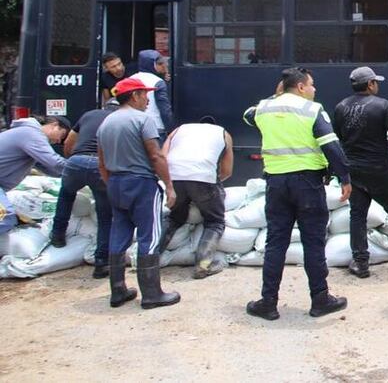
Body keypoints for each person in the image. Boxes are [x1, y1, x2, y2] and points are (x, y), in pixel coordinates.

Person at [244, 68, 352, 321]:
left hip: (276, 185)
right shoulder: (312, 110)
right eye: (312, 85)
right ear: (301, 87)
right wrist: (344, 177)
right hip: (308, 185)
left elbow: (248, 115)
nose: (314, 89)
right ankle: (320, 299)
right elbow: (331, 146)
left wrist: (275, 96)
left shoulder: (264, 109)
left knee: (276, 243)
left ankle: (268, 302)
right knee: (313, 242)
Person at [97, 77, 180, 309]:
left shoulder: (106, 123)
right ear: (134, 95)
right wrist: (169, 186)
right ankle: (152, 294)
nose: (147, 100)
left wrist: (112, 183)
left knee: (119, 233)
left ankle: (118, 291)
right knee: (150, 237)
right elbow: (156, 155)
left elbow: (101, 162)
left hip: (115, 183)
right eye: (145, 95)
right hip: (141, 184)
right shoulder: (143, 120)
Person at [333, 66, 388, 279]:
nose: (377, 85)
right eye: (375, 82)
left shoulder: (340, 107)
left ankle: (360, 262)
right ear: (370, 84)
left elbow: (338, 139)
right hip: (379, 168)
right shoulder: (382, 105)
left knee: (357, 215)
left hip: (354, 170)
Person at [50, 100, 119, 278]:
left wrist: (72, 160)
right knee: (105, 215)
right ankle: (101, 263)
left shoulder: (89, 114)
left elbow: (69, 142)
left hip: (76, 161)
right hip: (100, 165)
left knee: (66, 195)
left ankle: (57, 235)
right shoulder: (119, 119)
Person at [159, 116, 234, 279]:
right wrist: (208, 186)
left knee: (174, 218)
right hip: (204, 180)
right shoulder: (223, 133)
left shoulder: (178, 130)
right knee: (215, 221)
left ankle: (148, 259)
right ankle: (203, 265)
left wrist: (170, 184)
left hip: (174, 177)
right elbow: (227, 171)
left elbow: (162, 157)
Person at [0, 115, 70, 237]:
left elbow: (47, 167)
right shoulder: (31, 133)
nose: (59, 141)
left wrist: (69, 175)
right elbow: (54, 162)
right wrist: (79, 168)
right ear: (54, 125)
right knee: (5, 216)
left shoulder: (26, 133)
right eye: (62, 135)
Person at [130, 49, 174, 141]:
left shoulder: (131, 79)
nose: (163, 66)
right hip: (156, 127)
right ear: (151, 65)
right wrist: (171, 129)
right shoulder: (158, 82)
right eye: (159, 64)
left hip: (133, 127)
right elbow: (164, 109)